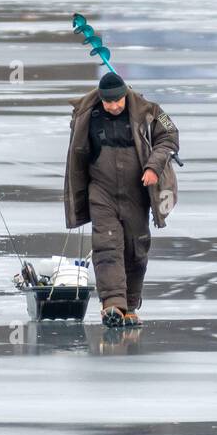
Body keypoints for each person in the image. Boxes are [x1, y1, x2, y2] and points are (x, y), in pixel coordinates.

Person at [64, 71, 179, 327]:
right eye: (108, 102)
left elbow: (170, 136)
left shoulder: (150, 110)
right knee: (107, 246)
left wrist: (153, 167)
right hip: (101, 190)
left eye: (118, 101)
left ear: (125, 96)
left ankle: (130, 304)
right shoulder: (87, 114)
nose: (114, 107)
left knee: (135, 249)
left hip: (137, 191)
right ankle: (113, 305)